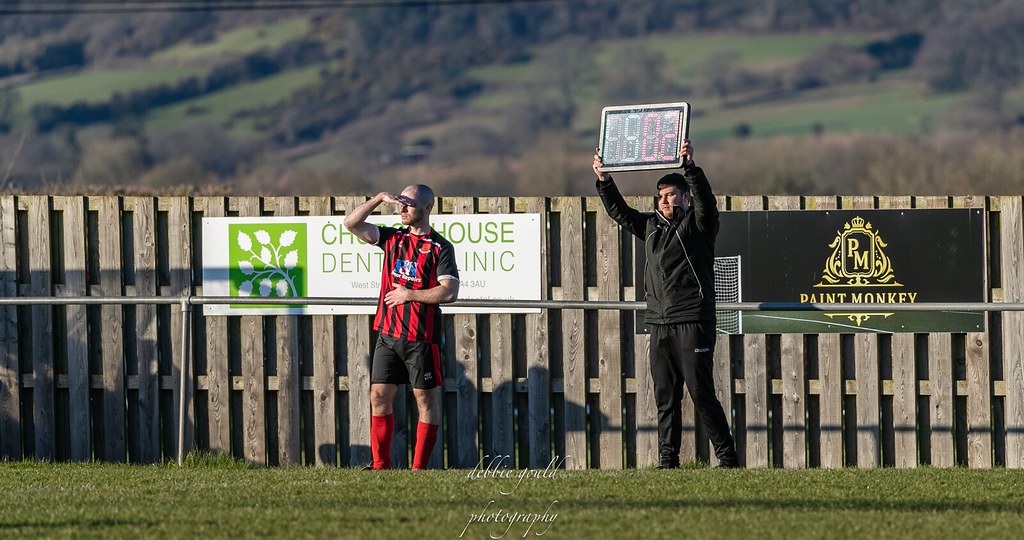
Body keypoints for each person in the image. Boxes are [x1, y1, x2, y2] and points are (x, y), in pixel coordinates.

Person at [592, 140, 740, 469]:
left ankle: (728, 459)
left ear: (685, 197)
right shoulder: (651, 227)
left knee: (701, 393)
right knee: (665, 397)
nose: (664, 201)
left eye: (670, 195)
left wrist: (690, 168)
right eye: (660, 196)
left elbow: (706, 202)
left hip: (693, 320)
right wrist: (604, 181)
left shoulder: (700, 226)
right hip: (658, 323)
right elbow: (619, 212)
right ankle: (667, 461)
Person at [343, 184, 460, 470]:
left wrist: (410, 294)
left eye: (409, 204)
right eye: (400, 203)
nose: (402, 208)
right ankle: (381, 465)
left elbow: (449, 292)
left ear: (428, 208)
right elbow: (351, 223)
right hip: (387, 334)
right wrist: (379, 198)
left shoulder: (440, 247)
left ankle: (418, 469)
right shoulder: (392, 237)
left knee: (424, 399)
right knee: (378, 395)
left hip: (421, 337)